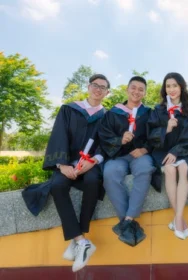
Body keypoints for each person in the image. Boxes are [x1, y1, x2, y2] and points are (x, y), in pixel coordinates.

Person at [43, 74, 109, 272]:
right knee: (57, 186)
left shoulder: (107, 117)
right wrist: (62, 165)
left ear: (107, 93)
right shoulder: (69, 110)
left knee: (93, 182)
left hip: (89, 165)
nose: (98, 89)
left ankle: (77, 240)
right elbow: (58, 136)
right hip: (67, 163)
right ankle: (81, 240)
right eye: (95, 85)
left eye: (103, 87)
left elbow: (107, 144)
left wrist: (94, 161)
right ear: (88, 87)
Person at [98, 76, 156, 247]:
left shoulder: (149, 114)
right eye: (134, 88)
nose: (136, 91)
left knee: (146, 168)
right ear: (127, 89)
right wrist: (119, 140)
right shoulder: (113, 113)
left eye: (141, 89)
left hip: (140, 154)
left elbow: (155, 136)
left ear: (144, 93)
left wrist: (145, 149)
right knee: (109, 172)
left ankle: (126, 220)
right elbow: (104, 136)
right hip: (119, 155)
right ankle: (128, 222)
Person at [148, 72, 188, 240]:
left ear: (181, 86)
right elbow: (151, 134)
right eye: (168, 86)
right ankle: (179, 219)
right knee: (169, 169)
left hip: (183, 149)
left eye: (175, 85)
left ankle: (177, 219)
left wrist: (176, 151)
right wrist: (166, 129)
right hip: (162, 150)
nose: (172, 89)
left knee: (184, 168)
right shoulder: (158, 110)